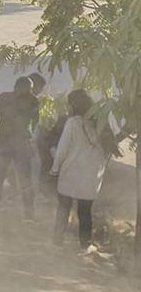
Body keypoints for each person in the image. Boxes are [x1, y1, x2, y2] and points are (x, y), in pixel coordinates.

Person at [51, 89, 120, 252]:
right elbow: (108, 151)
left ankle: (57, 240)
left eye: (69, 104)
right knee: (84, 211)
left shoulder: (73, 123)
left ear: (74, 105)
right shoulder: (101, 123)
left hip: (70, 174)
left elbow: (62, 150)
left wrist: (54, 169)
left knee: (63, 208)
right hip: (91, 177)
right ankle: (85, 244)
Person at [0, 76, 39, 219]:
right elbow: (34, 126)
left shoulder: (4, 98)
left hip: (3, 142)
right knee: (25, 180)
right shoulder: (34, 101)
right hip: (23, 143)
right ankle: (29, 214)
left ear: (14, 87)